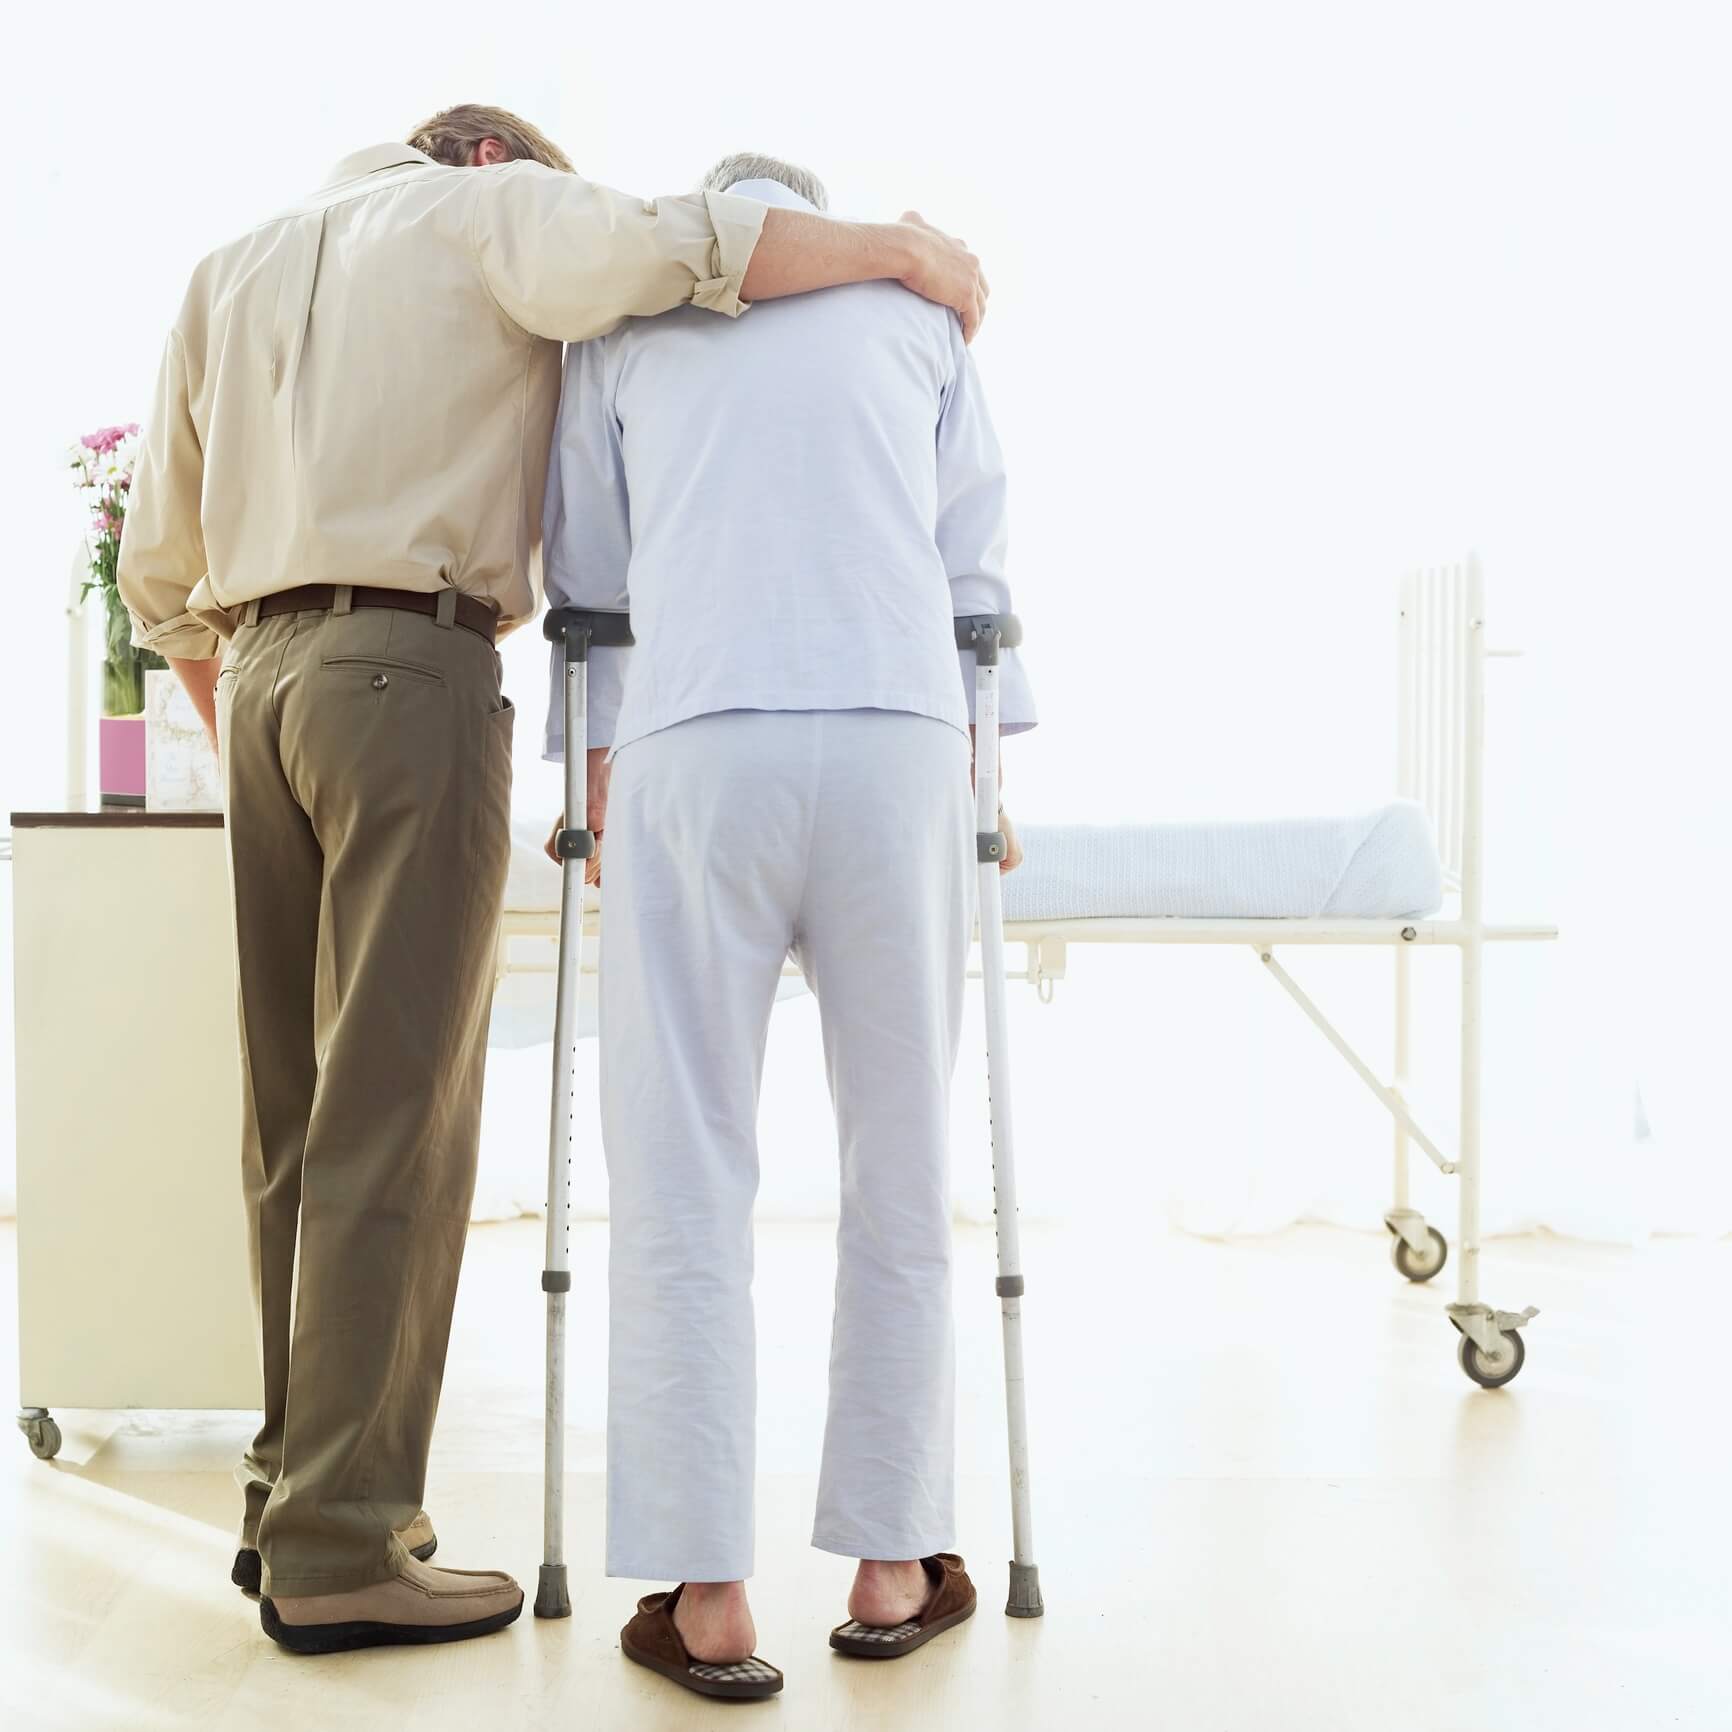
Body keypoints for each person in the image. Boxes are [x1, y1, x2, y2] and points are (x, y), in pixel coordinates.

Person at [117, 107, 990, 1657]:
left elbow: (162, 580)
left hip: (261, 688)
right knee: (400, 1114)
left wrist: (273, 717)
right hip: (433, 674)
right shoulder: (487, 217)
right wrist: (905, 253)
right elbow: (693, 245)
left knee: (295, 1120)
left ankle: (301, 1504)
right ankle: (348, 1541)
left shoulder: (226, 268)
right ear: (491, 167)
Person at [540, 150, 1035, 1700]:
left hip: (700, 745)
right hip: (896, 742)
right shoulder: (918, 318)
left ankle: (707, 1600)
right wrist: (984, 775)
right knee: (900, 1157)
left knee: (682, 1164)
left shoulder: (622, 327)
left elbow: (590, 583)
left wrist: (599, 776)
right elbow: (976, 575)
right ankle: (895, 1561)